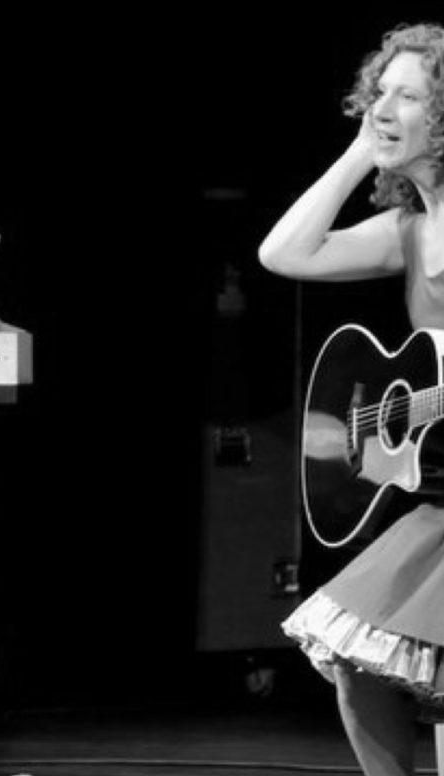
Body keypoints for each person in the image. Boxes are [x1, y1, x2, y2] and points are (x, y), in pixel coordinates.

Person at [258, 21, 444, 776]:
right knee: (356, 662)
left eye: (409, 95)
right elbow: (284, 253)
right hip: (440, 494)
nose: (382, 107)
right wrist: (358, 155)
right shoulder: (408, 229)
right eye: (379, 92)